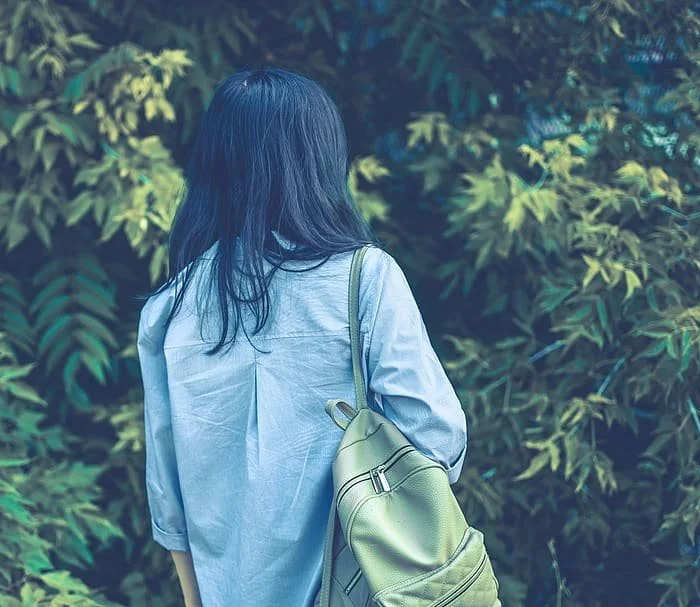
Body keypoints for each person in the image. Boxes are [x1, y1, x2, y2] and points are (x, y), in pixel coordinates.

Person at [135, 67, 467, 607]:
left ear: (214, 167)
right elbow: (437, 439)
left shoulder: (167, 311)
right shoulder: (366, 279)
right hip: (358, 588)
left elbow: (168, 506)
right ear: (320, 161)